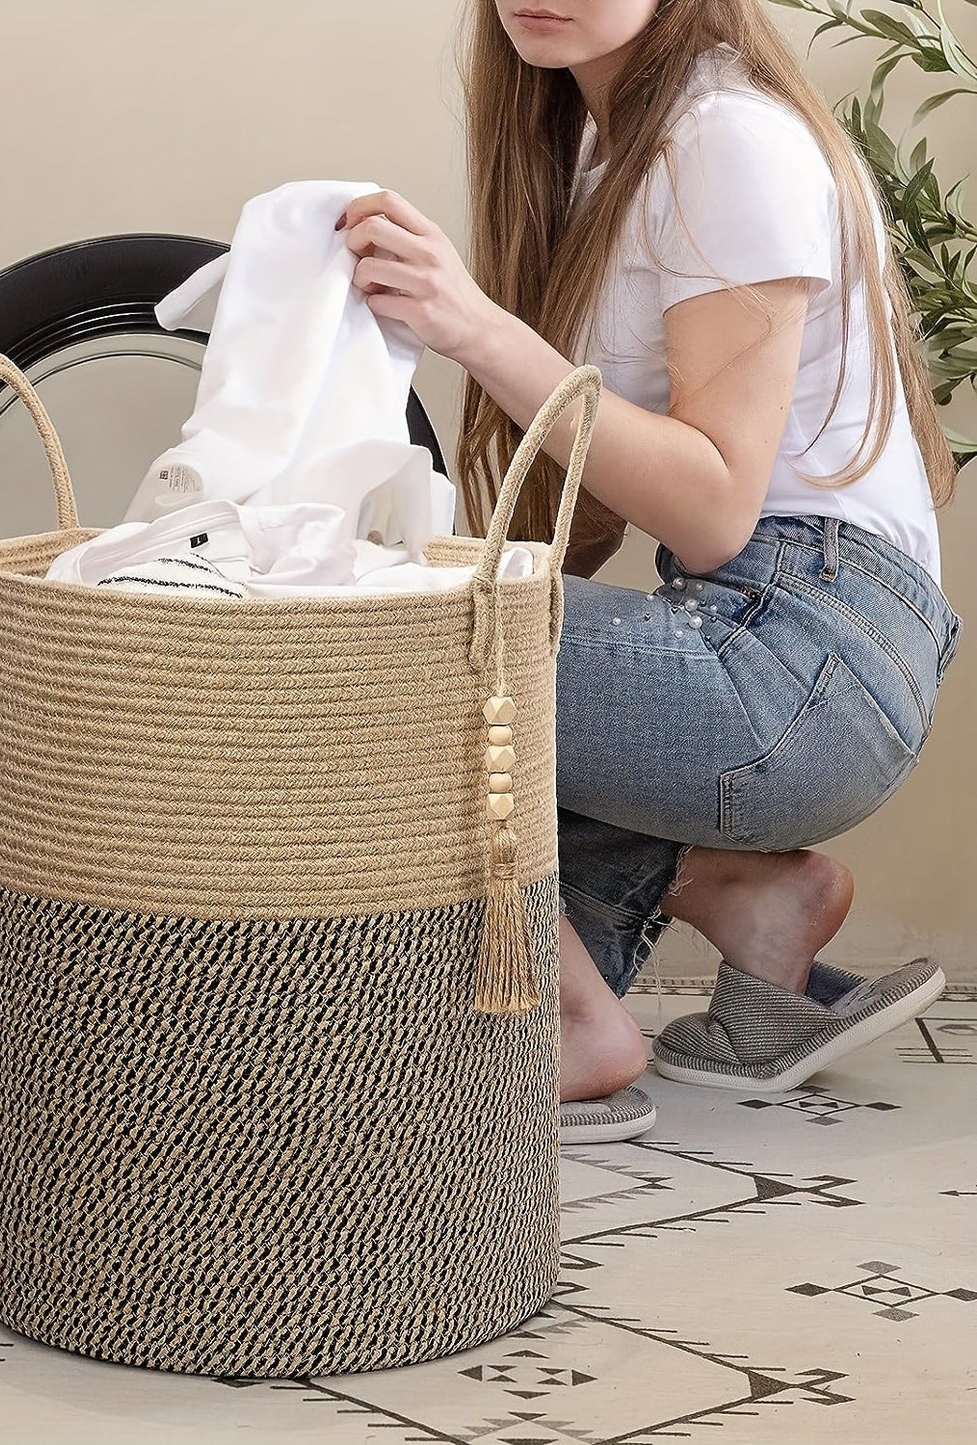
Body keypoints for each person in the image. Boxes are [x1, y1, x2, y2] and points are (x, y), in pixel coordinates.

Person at [337, 0, 963, 1143]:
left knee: (366, 648)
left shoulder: (723, 137)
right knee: (429, 809)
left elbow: (715, 508)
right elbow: (591, 505)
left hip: (803, 659)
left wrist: (472, 328)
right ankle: (749, 898)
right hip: (786, 640)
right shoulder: (605, 148)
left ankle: (577, 1025)